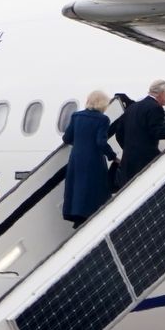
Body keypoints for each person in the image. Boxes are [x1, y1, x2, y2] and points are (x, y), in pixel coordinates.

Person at [116, 79, 165, 187]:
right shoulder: (155, 108)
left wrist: (128, 149)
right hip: (145, 162)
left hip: (128, 162)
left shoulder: (132, 107)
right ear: (161, 94)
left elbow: (119, 132)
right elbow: (158, 131)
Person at [62, 90, 118, 228]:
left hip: (76, 160)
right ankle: (90, 220)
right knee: (95, 191)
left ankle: (77, 217)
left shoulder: (77, 116)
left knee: (77, 188)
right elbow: (101, 142)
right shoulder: (102, 119)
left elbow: (67, 138)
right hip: (93, 161)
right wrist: (113, 157)